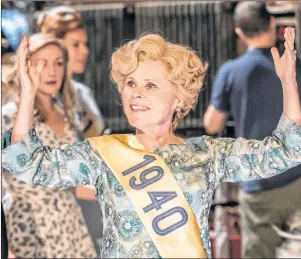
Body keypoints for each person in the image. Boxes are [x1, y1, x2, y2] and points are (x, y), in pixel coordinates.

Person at [2, 27, 301, 258]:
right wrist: (27, 94)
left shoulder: (206, 154)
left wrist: (288, 83)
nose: (136, 93)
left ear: (178, 98)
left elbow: (288, 150)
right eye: (130, 83)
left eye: (150, 85)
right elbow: (27, 164)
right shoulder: (103, 153)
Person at [203, 2, 301, 257]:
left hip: (258, 184)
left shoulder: (230, 72)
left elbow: (211, 124)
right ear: (272, 24)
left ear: (239, 33)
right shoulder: (294, 65)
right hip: (297, 179)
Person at [1, 33, 96, 258]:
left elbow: (75, 182)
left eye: (59, 63)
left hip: (70, 225)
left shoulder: (69, 115)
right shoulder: (8, 117)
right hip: (27, 227)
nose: (52, 71)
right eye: (41, 63)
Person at [36, 6, 105, 138]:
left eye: (85, 44)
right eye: (75, 44)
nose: (85, 51)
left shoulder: (83, 93)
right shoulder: (38, 97)